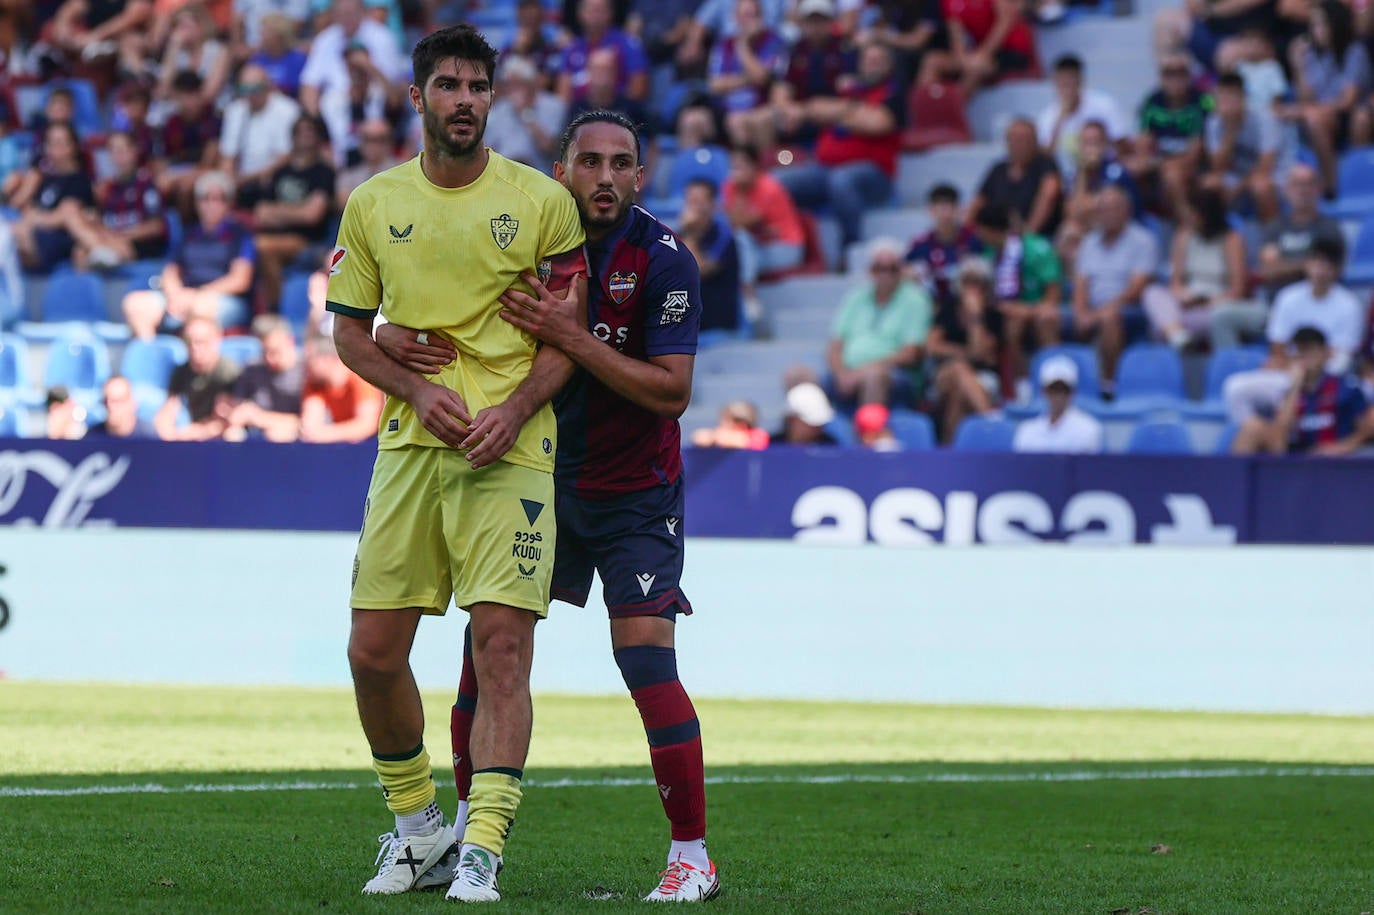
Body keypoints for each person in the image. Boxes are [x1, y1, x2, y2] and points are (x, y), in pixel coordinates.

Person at [377, 109, 719, 903]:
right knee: (486, 655)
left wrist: (577, 340)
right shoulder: (520, 233)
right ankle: (463, 837)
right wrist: (390, 334)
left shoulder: (665, 261)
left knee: (644, 660)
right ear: (562, 169)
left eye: (621, 163)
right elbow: (445, 305)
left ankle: (692, 855)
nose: (605, 177)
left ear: (640, 175)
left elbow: (672, 394)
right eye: (589, 162)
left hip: (636, 493)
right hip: (540, 479)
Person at [323, 25, 588, 901]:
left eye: (478, 85)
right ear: (418, 99)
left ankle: (484, 842)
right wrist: (412, 385)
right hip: (410, 446)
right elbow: (349, 334)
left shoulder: (544, 202)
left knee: (503, 645)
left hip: (512, 448)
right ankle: (417, 826)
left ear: (494, 97)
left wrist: (513, 409)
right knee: (371, 650)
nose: (465, 99)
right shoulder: (372, 203)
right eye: (448, 85)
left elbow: (568, 335)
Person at [773, 40, 903, 250]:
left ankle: (850, 246)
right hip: (825, 169)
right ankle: (791, 243)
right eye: (869, 61)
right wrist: (855, 111)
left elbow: (878, 123)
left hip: (874, 174)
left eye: (879, 61)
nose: (872, 65)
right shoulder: (848, 90)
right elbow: (814, 108)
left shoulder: (894, 92)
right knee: (778, 181)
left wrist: (837, 113)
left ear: (889, 66)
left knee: (842, 180)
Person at [1223, 234, 1365, 423]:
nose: (1320, 270)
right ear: (1306, 263)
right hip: (1289, 373)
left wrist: (1307, 365)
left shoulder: (1350, 305)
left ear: (1338, 269)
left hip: (1329, 378)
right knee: (1235, 387)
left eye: (1327, 265)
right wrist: (1296, 367)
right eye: (1316, 262)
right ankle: (1259, 437)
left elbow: (1341, 353)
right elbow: (1278, 346)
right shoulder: (1288, 297)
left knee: (1340, 365)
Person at [1212, 162, 1342, 349]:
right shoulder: (1275, 227)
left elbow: (1331, 271)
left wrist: (1284, 263)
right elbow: (1268, 271)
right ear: (1286, 189)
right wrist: (1305, 263)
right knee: (1222, 316)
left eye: (1308, 184)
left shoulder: (1329, 229)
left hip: (1314, 306)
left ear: (1318, 189)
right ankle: (1231, 366)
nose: (1302, 190)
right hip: (1270, 307)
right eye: (1296, 184)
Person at [121, 170, 254, 340]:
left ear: (228, 203)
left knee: (200, 307)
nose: (211, 204)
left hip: (222, 299)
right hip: (184, 295)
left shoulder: (240, 235)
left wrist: (198, 294)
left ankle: (193, 361)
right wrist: (174, 294)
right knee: (135, 304)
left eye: (219, 199)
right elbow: (171, 271)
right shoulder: (188, 234)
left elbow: (240, 280)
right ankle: (152, 356)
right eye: (205, 198)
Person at [1142, 187, 1254, 349]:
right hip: (1187, 302)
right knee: (1152, 292)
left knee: (1159, 327)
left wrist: (1208, 303)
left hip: (1216, 305)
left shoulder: (1232, 240)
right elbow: (1175, 283)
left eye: (1192, 213)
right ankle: (1176, 335)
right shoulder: (1183, 236)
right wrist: (1183, 296)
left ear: (1206, 215)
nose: (1188, 217)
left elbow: (1237, 290)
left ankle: (1174, 334)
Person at [1070, 185, 1158, 392]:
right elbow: (1081, 283)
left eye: (1112, 209)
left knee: (1110, 318)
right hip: (1093, 308)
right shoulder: (1089, 242)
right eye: (1102, 210)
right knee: (1047, 318)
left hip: (1130, 310)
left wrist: (1099, 314)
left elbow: (1136, 289)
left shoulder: (1142, 240)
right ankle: (1054, 384)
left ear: (1126, 210)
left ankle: (1108, 384)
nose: (1107, 215)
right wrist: (1081, 312)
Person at [1231, 325, 1371, 455]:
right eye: (1300, 351)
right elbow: (1281, 433)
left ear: (1326, 352)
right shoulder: (1288, 390)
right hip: (1297, 459)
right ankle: (1236, 480)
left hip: (1336, 459)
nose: (1305, 357)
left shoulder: (1346, 387)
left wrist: (1342, 447)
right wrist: (1296, 386)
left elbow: (1365, 430)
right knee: (1252, 428)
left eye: (1310, 350)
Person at [827, 238, 932, 406]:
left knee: (874, 377)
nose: (885, 275)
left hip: (895, 373)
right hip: (847, 371)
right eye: (879, 269)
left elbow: (910, 354)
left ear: (901, 270)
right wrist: (841, 374)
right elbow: (835, 346)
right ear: (870, 270)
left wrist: (861, 372)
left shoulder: (916, 300)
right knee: (798, 376)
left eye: (891, 269)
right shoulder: (855, 298)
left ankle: (871, 431)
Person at [248, 114, 336, 315]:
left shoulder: (323, 172)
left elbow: (312, 215)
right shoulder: (281, 172)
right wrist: (297, 211)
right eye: (300, 132)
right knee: (257, 244)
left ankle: (275, 311)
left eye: (310, 132)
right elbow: (260, 214)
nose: (304, 137)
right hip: (277, 236)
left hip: (308, 240)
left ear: (318, 138)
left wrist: (278, 212)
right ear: (292, 137)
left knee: (262, 246)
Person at [54, 130, 168, 271]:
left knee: (116, 246)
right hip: (110, 237)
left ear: (134, 151)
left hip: (138, 243)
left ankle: (104, 257)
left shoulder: (146, 183)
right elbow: (107, 221)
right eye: (113, 151)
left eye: (122, 150)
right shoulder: (107, 188)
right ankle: (91, 286)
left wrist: (124, 234)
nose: (118, 156)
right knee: (79, 251)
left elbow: (156, 227)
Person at [927, 255, 1003, 442]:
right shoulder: (948, 309)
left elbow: (980, 353)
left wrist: (975, 317)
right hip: (943, 375)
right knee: (958, 369)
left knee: (959, 397)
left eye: (978, 282)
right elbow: (931, 346)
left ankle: (950, 451)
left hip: (982, 377)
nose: (972, 287)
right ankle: (991, 420)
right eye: (967, 281)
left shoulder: (993, 316)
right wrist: (962, 353)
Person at [4, 121, 95, 272]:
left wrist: (36, 219)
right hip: (33, 235)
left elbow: (66, 216)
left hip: (58, 242)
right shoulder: (46, 179)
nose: (53, 148)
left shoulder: (80, 180)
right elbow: (29, 209)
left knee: (9, 234)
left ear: (72, 147)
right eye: (50, 143)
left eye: (59, 142)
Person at [1201, 72, 1281, 223]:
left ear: (1243, 98)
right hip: (1234, 176)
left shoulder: (1265, 119)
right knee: (1209, 185)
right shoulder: (1214, 122)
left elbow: (1266, 166)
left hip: (1269, 175)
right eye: (1223, 98)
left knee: (1261, 186)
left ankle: (1271, 236)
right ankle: (1217, 236)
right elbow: (1217, 167)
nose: (1227, 104)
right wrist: (1231, 131)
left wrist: (1238, 188)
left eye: (1232, 98)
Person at [721, 143, 805, 284]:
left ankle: (748, 295)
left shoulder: (768, 187)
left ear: (754, 166)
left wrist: (739, 194)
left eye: (740, 166)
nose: (735, 172)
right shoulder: (730, 186)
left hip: (785, 247)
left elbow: (740, 224)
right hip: (757, 245)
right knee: (734, 248)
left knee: (736, 248)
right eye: (732, 167)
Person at [968, 117, 1062, 239]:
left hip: (1037, 237)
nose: (1020, 145)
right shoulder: (998, 169)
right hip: (997, 237)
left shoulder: (1046, 166)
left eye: (1025, 140)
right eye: (1015, 139)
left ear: (1035, 142)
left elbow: (1049, 195)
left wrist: (1028, 235)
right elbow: (978, 202)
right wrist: (966, 233)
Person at [1035, 54, 1128, 174]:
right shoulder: (1047, 116)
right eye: (1062, 83)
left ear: (1080, 81)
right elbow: (1044, 158)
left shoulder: (1104, 105)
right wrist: (1060, 121)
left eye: (1070, 82)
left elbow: (1122, 144)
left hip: (1103, 172)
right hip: (1064, 177)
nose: (1066, 89)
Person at [154, 314, 242, 441]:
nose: (194, 348)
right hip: (192, 429)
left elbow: (227, 419)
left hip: (217, 433)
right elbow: (170, 408)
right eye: (189, 342)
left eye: (201, 342)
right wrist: (167, 430)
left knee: (234, 435)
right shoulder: (181, 371)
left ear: (216, 340)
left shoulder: (228, 372)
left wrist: (196, 431)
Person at [217, 62, 303, 190]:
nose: (250, 95)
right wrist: (228, 180)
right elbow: (227, 156)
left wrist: (246, 178)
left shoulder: (288, 110)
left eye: (255, 89)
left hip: (274, 175)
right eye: (244, 90)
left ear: (268, 86)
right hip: (240, 178)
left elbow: (287, 155)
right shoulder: (235, 110)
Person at [220, 314, 305, 442]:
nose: (269, 358)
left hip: (294, 440)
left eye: (275, 351)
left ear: (290, 341)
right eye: (264, 352)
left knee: (277, 435)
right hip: (254, 437)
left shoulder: (305, 372)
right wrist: (233, 413)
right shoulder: (252, 370)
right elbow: (237, 407)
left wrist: (261, 418)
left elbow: (308, 423)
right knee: (232, 434)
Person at [675, 178, 744, 333]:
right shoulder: (677, 237)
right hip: (685, 327)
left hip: (717, 327)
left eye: (698, 201)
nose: (693, 207)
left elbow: (699, 270)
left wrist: (690, 232)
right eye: (690, 201)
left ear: (712, 205)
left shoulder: (724, 237)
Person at [481, 55, 566, 171]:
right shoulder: (498, 110)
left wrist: (526, 113)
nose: (511, 90)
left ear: (532, 84)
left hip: (539, 175)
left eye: (518, 84)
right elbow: (487, 151)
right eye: (509, 84)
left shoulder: (553, 106)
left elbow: (548, 147)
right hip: (505, 174)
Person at [298, 333, 384, 442]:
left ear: (327, 359)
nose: (304, 365)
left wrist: (324, 434)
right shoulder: (314, 383)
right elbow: (310, 423)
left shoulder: (361, 378)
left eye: (309, 360)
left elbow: (367, 425)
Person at [905, 182, 981, 303]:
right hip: (930, 304)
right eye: (941, 209)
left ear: (960, 210)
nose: (946, 215)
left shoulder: (974, 240)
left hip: (963, 304)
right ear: (930, 210)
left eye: (951, 208)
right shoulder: (919, 244)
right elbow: (904, 271)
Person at [1012, 354, 1104, 453]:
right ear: (1043, 392)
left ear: (1072, 392)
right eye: (1053, 389)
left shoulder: (1089, 429)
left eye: (1064, 390)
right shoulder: (1026, 431)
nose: (1058, 396)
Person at [771, 378, 841, 445]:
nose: (816, 429)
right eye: (811, 424)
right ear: (791, 419)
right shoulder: (771, 446)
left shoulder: (830, 445)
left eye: (819, 424)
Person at [86, 375, 158, 439]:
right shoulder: (92, 437)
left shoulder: (149, 437)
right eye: (106, 401)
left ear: (132, 403)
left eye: (117, 401)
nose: (110, 406)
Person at [690, 400, 770, 448]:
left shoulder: (759, 435)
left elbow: (745, 442)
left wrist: (719, 437)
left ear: (741, 425)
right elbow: (698, 437)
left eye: (726, 420)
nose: (720, 424)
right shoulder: (717, 436)